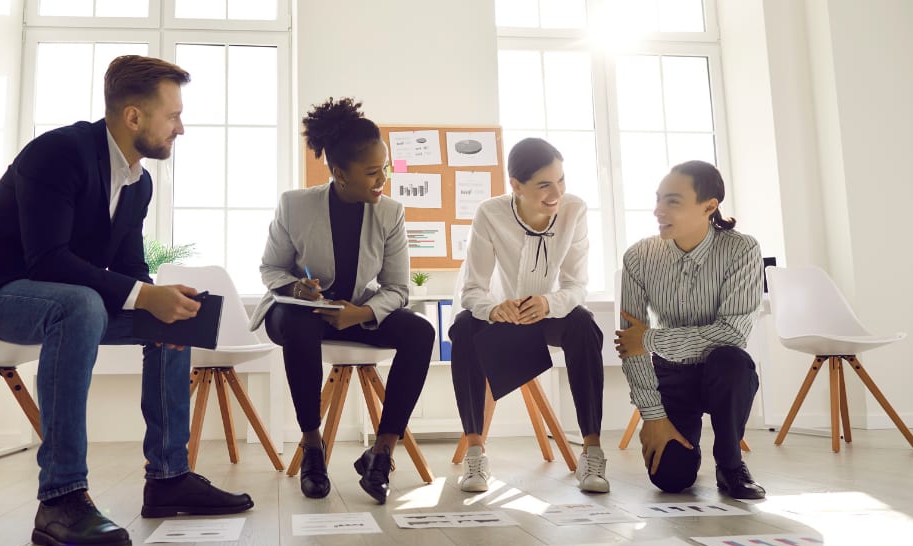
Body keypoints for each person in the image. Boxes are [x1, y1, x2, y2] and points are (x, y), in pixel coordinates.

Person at [0, 56, 253, 546]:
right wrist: (144, 295)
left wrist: (158, 302)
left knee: (173, 317)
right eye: (173, 116)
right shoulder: (58, 153)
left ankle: (168, 478)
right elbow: (48, 260)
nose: (180, 129)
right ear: (134, 117)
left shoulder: (138, 181)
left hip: (56, 294)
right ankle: (60, 498)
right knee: (80, 305)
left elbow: (128, 266)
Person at [249, 97, 435, 505]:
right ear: (339, 174)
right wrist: (297, 289)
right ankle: (313, 445)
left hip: (355, 310)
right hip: (296, 312)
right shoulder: (295, 206)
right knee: (298, 325)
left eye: (384, 168)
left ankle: (381, 453)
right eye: (372, 172)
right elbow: (270, 269)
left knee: (421, 332)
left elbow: (399, 288)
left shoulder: (390, 213)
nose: (382, 178)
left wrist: (363, 313)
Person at [450, 137, 606, 493]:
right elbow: (472, 290)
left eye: (561, 180)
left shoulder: (574, 211)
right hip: (501, 314)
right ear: (516, 186)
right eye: (544, 185)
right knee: (463, 328)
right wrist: (494, 308)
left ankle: (593, 452)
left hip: (549, 311)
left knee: (584, 324)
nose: (556, 193)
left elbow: (577, 285)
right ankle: (476, 454)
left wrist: (549, 304)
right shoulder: (490, 214)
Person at [614, 160, 766, 499]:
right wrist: (653, 416)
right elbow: (630, 346)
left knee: (731, 361)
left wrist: (651, 338)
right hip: (671, 374)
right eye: (657, 199)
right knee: (670, 480)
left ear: (709, 207)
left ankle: (730, 465)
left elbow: (732, 334)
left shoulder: (742, 250)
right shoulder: (639, 257)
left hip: (723, 372)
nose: (658, 210)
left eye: (672, 201)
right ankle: (685, 455)